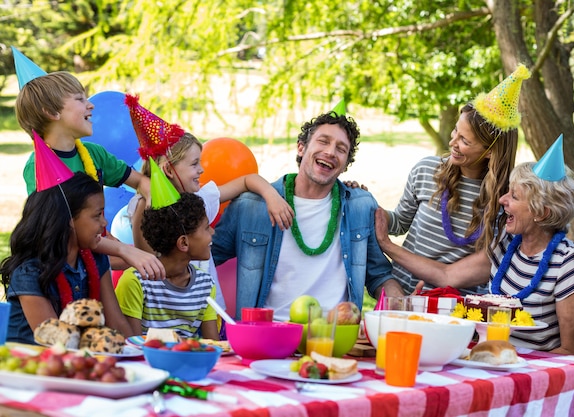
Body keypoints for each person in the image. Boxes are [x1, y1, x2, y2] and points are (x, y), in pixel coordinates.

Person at [375, 140, 574, 354]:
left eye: (514, 196)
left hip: (535, 371)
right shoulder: (505, 247)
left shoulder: (566, 261)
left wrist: (521, 367)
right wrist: (387, 245)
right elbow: (446, 275)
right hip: (491, 359)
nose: (502, 199)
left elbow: (570, 349)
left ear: (541, 213)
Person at [211, 104, 405, 321]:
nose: (330, 152)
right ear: (301, 148)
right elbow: (205, 257)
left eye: (341, 149)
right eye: (323, 141)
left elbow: (379, 275)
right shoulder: (252, 206)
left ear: (345, 165)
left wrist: (397, 300)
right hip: (267, 336)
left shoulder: (360, 206)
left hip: (335, 336)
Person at [123, 95, 294, 315]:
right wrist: (146, 198)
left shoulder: (201, 200)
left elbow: (246, 180)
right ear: (168, 170)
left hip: (211, 312)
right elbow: (147, 258)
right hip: (170, 316)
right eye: (194, 164)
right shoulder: (143, 208)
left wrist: (272, 196)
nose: (201, 170)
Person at [12, 48, 165, 280]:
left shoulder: (94, 154)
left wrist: (153, 210)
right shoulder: (39, 166)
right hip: (62, 267)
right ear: (52, 112)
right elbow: (62, 230)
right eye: (80, 99)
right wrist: (124, 249)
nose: (91, 105)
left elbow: (141, 181)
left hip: (97, 251)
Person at [379, 65, 530, 296]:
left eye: (464, 141)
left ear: (490, 151)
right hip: (403, 296)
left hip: (454, 312)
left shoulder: (507, 201)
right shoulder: (427, 170)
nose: (453, 143)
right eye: (454, 132)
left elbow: (461, 273)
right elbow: (400, 222)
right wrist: (372, 209)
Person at [0, 134, 132, 343]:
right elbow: (57, 343)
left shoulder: (97, 260)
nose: (104, 223)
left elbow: (118, 327)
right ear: (70, 220)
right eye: (97, 215)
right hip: (35, 367)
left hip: (82, 362)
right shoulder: (30, 272)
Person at [115, 162, 219, 339]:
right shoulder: (136, 282)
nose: (212, 232)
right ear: (183, 243)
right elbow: (131, 344)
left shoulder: (205, 284)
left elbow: (212, 345)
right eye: (206, 228)